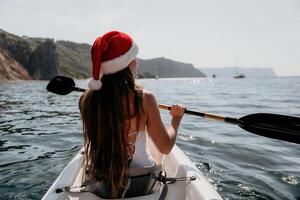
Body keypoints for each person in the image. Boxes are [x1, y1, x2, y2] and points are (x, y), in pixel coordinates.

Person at [79, 31, 185, 198]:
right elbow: (165, 147)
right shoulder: (145, 98)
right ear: (126, 64)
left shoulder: (87, 99)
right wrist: (175, 120)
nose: (136, 62)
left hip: (101, 182)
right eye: (133, 57)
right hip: (140, 183)